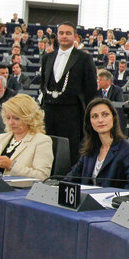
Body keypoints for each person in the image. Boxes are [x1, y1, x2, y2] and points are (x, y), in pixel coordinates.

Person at [40, 22, 97, 164]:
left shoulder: (84, 58)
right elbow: (43, 83)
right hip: (49, 110)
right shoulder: (47, 58)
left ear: (75, 36)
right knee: (47, 147)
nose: (64, 36)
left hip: (72, 113)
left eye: (68, 33)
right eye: (61, 33)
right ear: (57, 35)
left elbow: (90, 89)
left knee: (70, 151)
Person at [66, 98, 129, 190]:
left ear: (113, 118)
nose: (100, 120)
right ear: (89, 122)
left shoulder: (128, 149)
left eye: (105, 115)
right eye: (94, 116)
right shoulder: (89, 150)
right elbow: (69, 179)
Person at [0, 94, 53, 180]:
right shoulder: (0, 138)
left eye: (16, 118)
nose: (11, 122)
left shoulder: (42, 141)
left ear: (29, 118)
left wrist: (11, 166)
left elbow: (42, 176)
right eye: (8, 118)